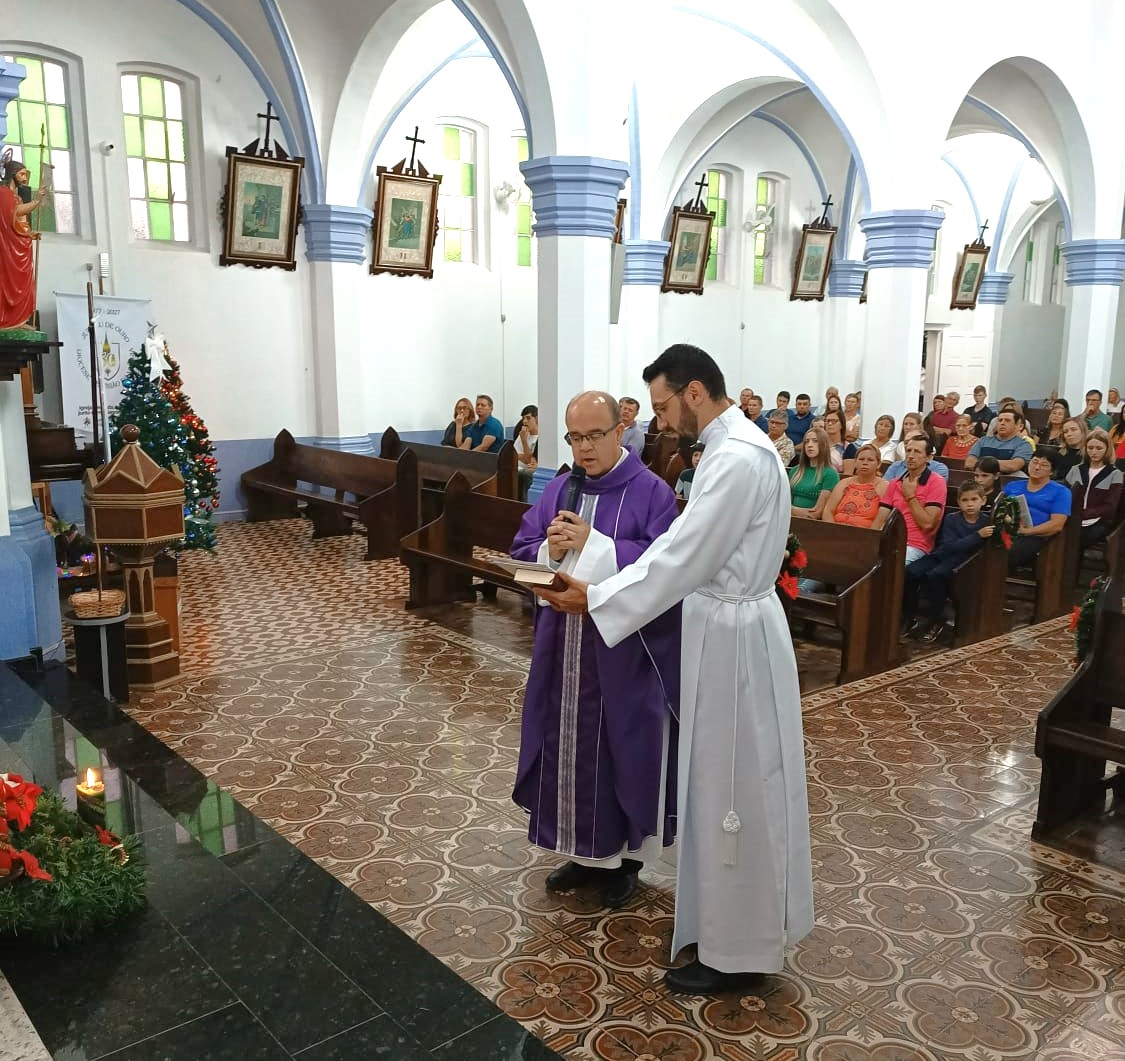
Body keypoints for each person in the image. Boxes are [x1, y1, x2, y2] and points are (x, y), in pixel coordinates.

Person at [533, 343, 813, 995]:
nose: (657, 421)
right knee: (721, 785)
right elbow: (680, 556)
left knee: (732, 790)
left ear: (692, 392)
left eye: (661, 406)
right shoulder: (734, 447)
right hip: (728, 627)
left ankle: (736, 951)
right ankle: (724, 931)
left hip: (733, 639)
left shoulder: (735, 459)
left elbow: (682, 557)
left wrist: (596, 596)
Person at [510, 391, 681, 909]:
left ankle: (625, 859)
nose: (584, 448)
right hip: (561, 647)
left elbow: (663, 567)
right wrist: (549, 550)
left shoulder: (653, 492)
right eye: (575, 437)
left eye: (594, 436)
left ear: (620, 430)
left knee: (618, 749)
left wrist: (595, 544)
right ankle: (582, 853)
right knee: (564, 743)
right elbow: (522, 550)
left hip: (622, 653)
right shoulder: (561, 486)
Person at [901, 480, 991, 643]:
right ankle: (908, 617)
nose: (969, 504)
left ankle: (936, 621)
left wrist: (980, 535)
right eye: (965, 500)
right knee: (910, 572)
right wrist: (977, 535)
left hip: (965, 562)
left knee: (936, 576)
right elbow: (950, 546)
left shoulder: (986, 523)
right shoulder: (952, 519)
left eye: (974, 499)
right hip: (943, 554)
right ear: (958, 502)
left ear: (983, 500)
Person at [872, 434, 946, 563]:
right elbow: (880, 520)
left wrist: (910, 497)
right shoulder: (895, 483)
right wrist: (871, 543)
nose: (911, 455)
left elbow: (927, 524)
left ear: (929, 458)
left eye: (917, 451)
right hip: (889, 541)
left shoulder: (936, 482)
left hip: (915, 545)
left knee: (889, 568)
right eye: (908, 450)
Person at [1002, 452, 1072, 569]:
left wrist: (1027, 531)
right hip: (1008, 529)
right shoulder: (1013, 485)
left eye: (1044, 465)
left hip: (1036, 535)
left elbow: (1057, 525)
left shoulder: (1061, 492)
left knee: (1010, 553)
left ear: (1051, 471)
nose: (1037, 467)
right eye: (1034, 462)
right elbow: (1000, 509)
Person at [0, 156, 45, 330]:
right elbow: (12, 214)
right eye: (22, 174)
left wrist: (29, 234)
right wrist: (36, 201)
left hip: (18, 245)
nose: (25, 178)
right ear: (12, 174)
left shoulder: (15, 196)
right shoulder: (3, 194)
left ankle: (18, 320)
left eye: (25, 174)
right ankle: (8, 321)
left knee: (22, 282)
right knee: (9, 282)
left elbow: (18, 222)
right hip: (7, 248)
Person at [1065, 428, 1123, 550]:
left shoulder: (1114, 473)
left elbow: (1110, 506)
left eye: (1099, 448)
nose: (1094, 452)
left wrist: (1085, 514)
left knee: (1079, 539)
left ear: (1107, 449)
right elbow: (1064, 495)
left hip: (1099, 521)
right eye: (1090, 448)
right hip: (1072, 518)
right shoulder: (1076, 469)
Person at [822, 443, 886, 526]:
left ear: (878, 464)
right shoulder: (843, 483)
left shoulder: (884, 486)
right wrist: (833, 531)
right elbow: (828, 511)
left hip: (866, 535)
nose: (865, 463)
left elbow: (882, 520)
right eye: (861, 459)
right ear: (855, 462)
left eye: (870, 460)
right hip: (835, 531)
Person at [789, 426, 839, 518]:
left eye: (815, 441)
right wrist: (791, 510)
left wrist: (791, 510)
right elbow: (784, 505)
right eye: (807, 441)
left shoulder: (830, 474)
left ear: (823, 445)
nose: (810, 445)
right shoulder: (795, 471)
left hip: (813, 526)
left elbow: (817, 512)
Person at [965, 409, 1032, 474]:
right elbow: (969, 463)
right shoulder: (983, 440)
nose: (1002, 423)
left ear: (1019, 426)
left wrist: (982, 464)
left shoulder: (1024, 444)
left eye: (1007, 420)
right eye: (1000, 420)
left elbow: (1013, 466)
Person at [822, 409, 857, 475]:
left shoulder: (849, 448)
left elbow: (847, 475)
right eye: (827, 421)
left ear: (842, 424)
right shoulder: (818, 445)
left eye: (834, 421)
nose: (830, 423)